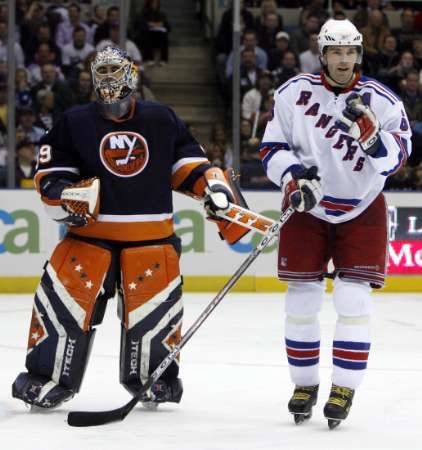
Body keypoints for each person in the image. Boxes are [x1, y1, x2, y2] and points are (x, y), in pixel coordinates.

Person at [11, 46, 248, 410]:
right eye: (100, 72)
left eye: (113, 71)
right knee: (63, 307)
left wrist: (212, 187)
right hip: (89, 238)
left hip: (150, 240)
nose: (107, 79)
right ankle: (46, 378)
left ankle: (154, 380)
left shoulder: (161, 119)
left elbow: (190, 164)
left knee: (152, 314)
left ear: (132, 74)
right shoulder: (74, 121)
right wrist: (67, 195)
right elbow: (51, 175)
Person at [260, 19, 412, 428]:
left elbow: (399, 159)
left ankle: (344, 386)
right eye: (336, 52)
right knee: (301, 299)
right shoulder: (292, 94)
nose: (344, 60)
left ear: (358, 54)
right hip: (308, 208)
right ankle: (304, 384)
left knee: (353, 300)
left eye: (350, 52)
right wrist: (294, 177)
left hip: (361, 208)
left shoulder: (381, 100)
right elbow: (271, 148)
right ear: (322, 53)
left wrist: (373, 140)